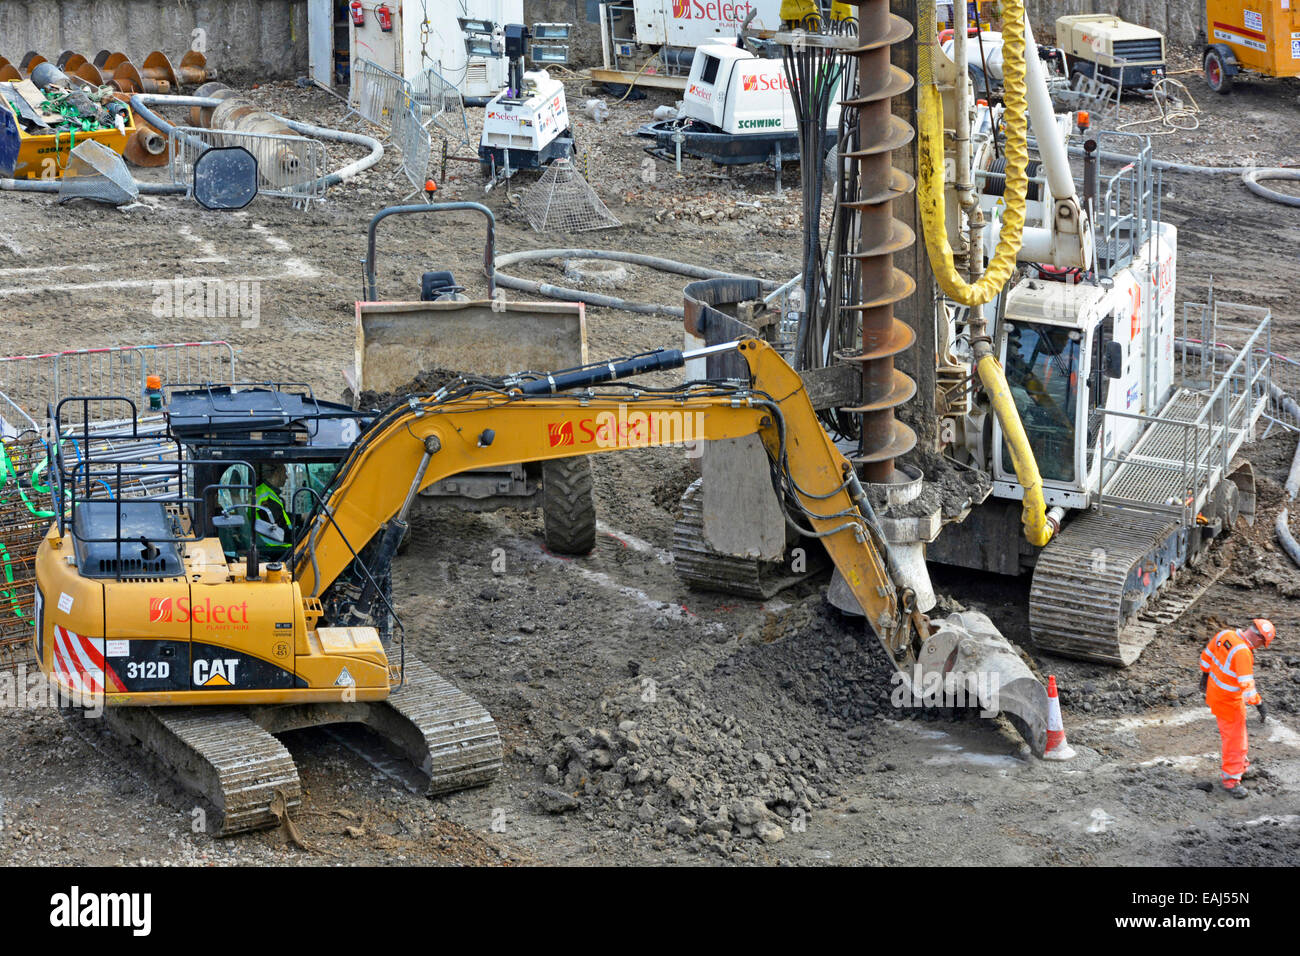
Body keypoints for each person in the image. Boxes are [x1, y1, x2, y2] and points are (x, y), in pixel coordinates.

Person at [1199, 618, 1276, 798]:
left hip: (1215, 694)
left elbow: (1206, 656)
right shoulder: (1243, 652)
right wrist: (1259, 704)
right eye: (1262, 644)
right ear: (1259, 638)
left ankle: (1241, 767)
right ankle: (1231, 780)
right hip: (1229, 703)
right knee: (1236, 743)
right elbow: (1247, 687)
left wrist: (1205, 676)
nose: (1259, 647)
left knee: (1236, 739)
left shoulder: (1225, 634)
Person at [254, 463, 293, 556]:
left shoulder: (264, 492)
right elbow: (277, 530)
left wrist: (300, 517)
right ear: (277, 473)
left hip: (271, 546)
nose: (286, 477)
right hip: (275, 548)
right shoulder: (266, 497)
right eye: (285, 473)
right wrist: (300, 534)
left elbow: (279, 515)